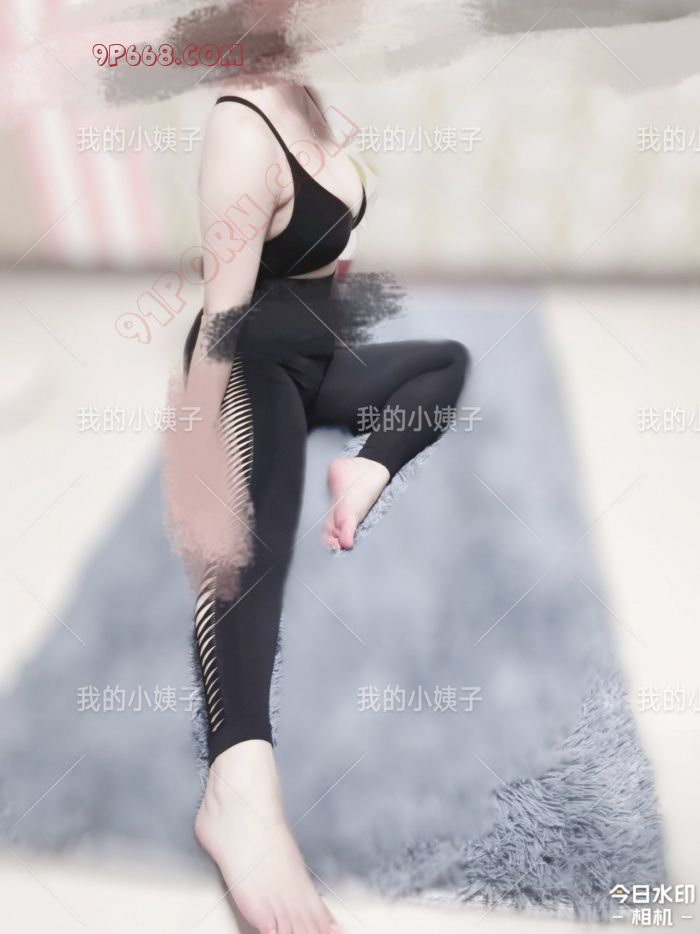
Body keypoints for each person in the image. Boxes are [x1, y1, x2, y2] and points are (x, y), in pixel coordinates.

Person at [174, 80, 469, 934]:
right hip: (253, 365)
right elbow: (223, 318)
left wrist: (371, 460)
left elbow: (323, 257)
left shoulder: (308, 91)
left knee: (446, 362)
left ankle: (365, 472)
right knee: (257, 543)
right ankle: (236, 784)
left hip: (315, 351)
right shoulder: (241, 128)